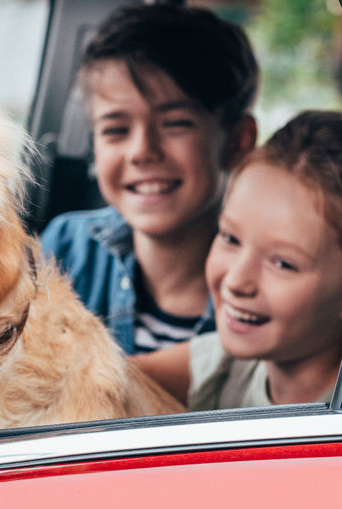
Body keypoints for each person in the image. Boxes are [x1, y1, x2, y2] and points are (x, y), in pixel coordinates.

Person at [133, 110, 342, 409]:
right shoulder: (227, 364)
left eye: (283, 264)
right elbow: (106, 380)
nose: (236, 281)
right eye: (230, 238)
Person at [40, 3, 259, 354]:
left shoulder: (265, 292)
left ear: (238, 141)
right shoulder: (66, 248)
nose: (142, 151)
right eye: (115, 129)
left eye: (175, 124)